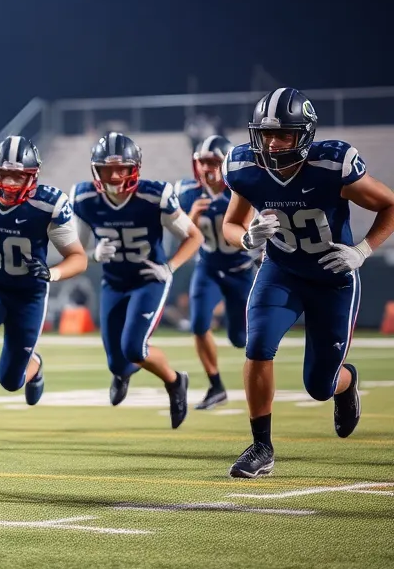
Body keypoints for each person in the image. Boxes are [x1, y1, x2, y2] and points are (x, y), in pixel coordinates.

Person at [221, 88, 394, 478]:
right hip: (280, 271)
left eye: (285, 134)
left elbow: (390, 203)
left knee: (318, 385)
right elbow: (230, 225)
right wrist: (247, 238)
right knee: (258, 346)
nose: (273, 142)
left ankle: (345, 382)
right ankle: (261, 446)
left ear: (305, 135)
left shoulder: (332, 165)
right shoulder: (244, 167)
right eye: (266, 134)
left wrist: (363, 250)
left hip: (333, 277)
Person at [0, 136, 87, 451]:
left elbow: (78, 257)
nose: (9, 182)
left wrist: (53, 273)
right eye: (3, 174)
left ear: (32, 176)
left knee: (11, 379)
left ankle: (33, 365)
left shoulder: (47, 204)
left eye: (18, 176)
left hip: (28, 292)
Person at [70, 132, 201, 428]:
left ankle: (175, 381)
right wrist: (93, 254)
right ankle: (125, 374)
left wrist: (170, 267)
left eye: (122, 168)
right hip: (114, 283)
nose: (115, 175)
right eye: (107, 168)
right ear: (96, 170)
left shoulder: (155, 195)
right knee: (117, 363)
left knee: (134, 348)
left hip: (148, 279)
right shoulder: (84, 197)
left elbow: (194, 236)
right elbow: (76, 251)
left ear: (135, 168)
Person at [173, 135, 255, 410]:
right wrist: (191, 217)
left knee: (239, 338)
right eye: (203, 162)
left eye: (214, 162)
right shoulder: (187, 191)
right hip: (207, 266)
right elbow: (179, 236)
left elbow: (252, 228)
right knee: (198, 325)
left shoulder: (241, 189)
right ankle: (216, 385)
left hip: (240, 269)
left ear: (226, 163)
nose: (207, 168)